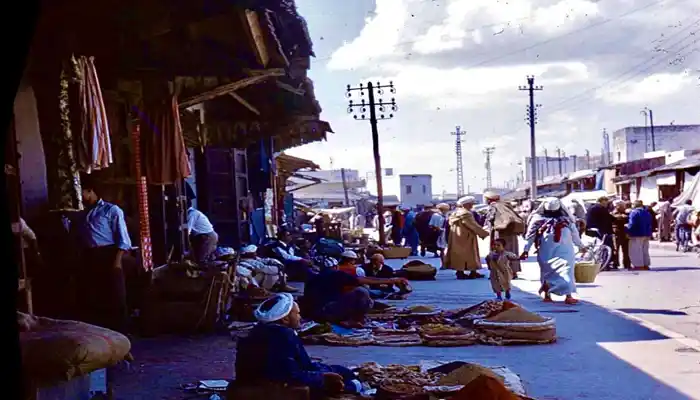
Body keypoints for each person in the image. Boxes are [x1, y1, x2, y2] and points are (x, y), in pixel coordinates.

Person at [235, 293, 363, 399]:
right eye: (297, 313)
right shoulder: (283, 335)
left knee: (341, 370)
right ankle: (355, 386)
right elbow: (291, 375)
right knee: (346, 380)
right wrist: (322, 377)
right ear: (285, 319)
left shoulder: (257, 331)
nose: (300, 317)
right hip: (276, 384)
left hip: (261, 379)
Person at [76, 178, 132, 332]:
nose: (81, 196)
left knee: (115, 293)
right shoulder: (84, 213)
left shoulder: (111, 210)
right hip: (91, 255)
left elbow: (123, 239)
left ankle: (121, 332)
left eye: (82, 192)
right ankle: (101, 331)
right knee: (96, 293)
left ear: (90, 191)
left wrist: (117, 261)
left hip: (109, 253)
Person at [303, 256, 408, 327]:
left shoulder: (312, 278)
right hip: (326, 312)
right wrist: (392, 280)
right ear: (335, 267)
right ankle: (356, 320)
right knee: (361, 292)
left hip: (315, 313)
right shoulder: (337, 274)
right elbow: (364, 280)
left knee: (365, 295)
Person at [521, 198, 586, 305]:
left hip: (563, 252)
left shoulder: (567, 220)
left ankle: (568, 295)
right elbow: (530, 236)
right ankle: (548, 295)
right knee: (549, 272)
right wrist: (525, 250)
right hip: (548, 252)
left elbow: (575, 236)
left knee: (565, 271)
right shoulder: (537, 220)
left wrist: (581, 246)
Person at [444, 196, 489, 280]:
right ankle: (469, 272)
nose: (472, 205)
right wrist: (484, 233)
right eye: (471, 204)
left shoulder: (455, 213)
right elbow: (473, 225)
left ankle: (465, 272)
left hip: (456, 237)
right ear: (466, 204)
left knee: (459, 254)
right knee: (470, 254)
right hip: (466, 237)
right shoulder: (466, 213)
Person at [484, 191, 525, 279]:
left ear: (488, 200)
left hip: (500, 233)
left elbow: (490, 220)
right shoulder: (506, 206)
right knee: (512, 251)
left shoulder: (493, 206)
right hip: (510, 233)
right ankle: (513, 272)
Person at [585, 197, 614, 266]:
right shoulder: (600, 208)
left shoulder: (591, 207)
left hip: (591, 230)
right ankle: (605, 263)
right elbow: (607, 219)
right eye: (606, 202)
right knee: (604, 247)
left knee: (595, 247)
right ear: (602, 201)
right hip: (601, 231)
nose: (607, 204)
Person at [627, 200, 653, 270]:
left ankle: (638, 265)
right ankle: (646, 264)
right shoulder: (647, 212)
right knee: (645, 250)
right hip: (646, 233)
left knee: (636, 250)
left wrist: (628, 231)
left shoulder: (634, 212)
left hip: (636, 234)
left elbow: (632, 224)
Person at [610, 200, 631, 270]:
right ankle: (615, 263)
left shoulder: (625, 213)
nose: (624, 207)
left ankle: (627, 263)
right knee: (616, 248)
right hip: (617, 232)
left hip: (624, 232)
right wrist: (622, 217)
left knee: (626, 249)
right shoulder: (614, 212)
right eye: (622, 206)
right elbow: (615, 219)